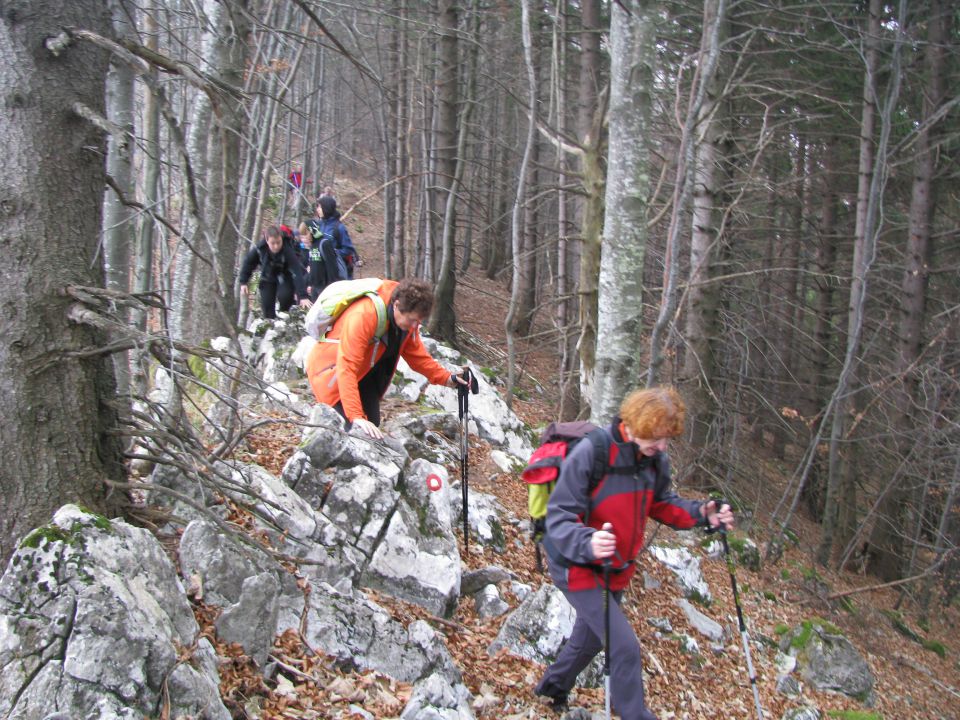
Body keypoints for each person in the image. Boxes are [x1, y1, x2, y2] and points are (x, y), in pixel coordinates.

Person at [534, 386, 734, 719]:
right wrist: (588, 541)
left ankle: (550, 690)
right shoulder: (592, 453)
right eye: (657, 437)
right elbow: (559, 516)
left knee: (592, 640)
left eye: (668, 439)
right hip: (577, 567)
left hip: (616, 570)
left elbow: (662, 504)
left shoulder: (653, 460)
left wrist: (703, 514)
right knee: (624, 646)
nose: (663, 446)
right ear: (635, 425)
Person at [306, 278, 465, 439]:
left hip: (363, 374)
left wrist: (447, 378)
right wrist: (356, 416)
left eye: (419, 322)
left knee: (372, 424)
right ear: (396, 306)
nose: (415, 326)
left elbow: (418, 358)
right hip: (330, 375)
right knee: (353, 432)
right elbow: (346, 366)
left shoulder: (406, 319)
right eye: (412, 320)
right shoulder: (364, 315)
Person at [238, 225, 312, 319]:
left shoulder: (287, 249)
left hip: (285, 275)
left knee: (286, 297)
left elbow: (297, 271)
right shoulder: (260, 248)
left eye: (278, 242)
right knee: (267, 305)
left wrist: (303, 296)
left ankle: (283, 317)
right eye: (273, 243)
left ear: (281, 239)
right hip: (267, 277)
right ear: (267, 240)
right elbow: (248, 264)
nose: (276, 246)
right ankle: (270, 323)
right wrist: (243, 282)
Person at [310, 195, 360, 279]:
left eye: (319, 207)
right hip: (320, 270)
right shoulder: (318, 225)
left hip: (336, 272)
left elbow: (348, 249)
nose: (317, 209)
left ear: (326, 208)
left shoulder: (339, 228)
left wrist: (332, 253)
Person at [298, 221, 344, 301]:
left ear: (312, 231)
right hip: (315, 288)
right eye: (302, 237)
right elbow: (313, 269)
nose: (304, 240)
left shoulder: (324, 244)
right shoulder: (312, 246)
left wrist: (331, 289)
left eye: (306, 235)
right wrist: (309, 285)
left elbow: (332, 269)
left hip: (325, 289)